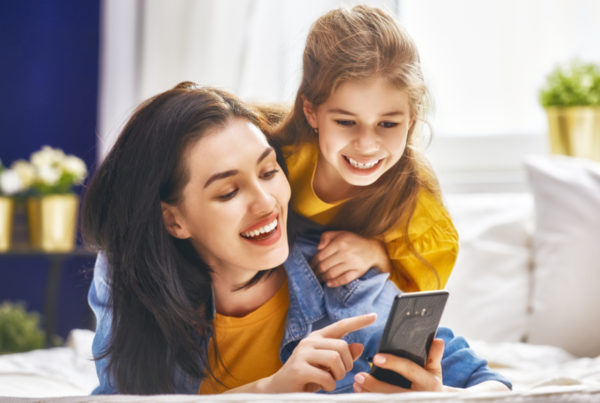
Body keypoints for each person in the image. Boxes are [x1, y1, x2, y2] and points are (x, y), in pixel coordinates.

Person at [83, 82, 511, 394]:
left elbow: (493, 386)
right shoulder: (128, 280)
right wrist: (269, 392)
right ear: (173, 220)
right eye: (229, 191)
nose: (266, 202)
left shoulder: (344, 284)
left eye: (269, 171)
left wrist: (435, 398)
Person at [269, 5, 458, 292]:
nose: (366, 145)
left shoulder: (416, 205)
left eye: (387, 124)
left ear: (412, 117)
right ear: (311, 112)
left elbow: (417, 304)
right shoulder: (271, 153)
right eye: (346, 121)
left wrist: (378, 255)